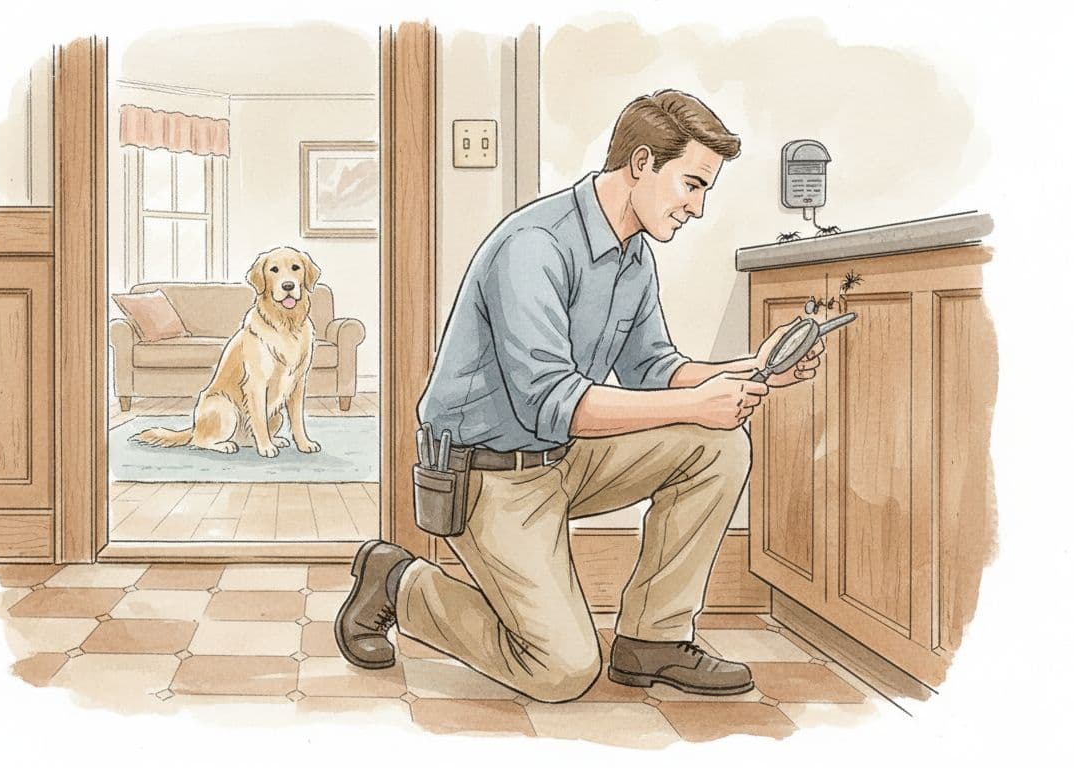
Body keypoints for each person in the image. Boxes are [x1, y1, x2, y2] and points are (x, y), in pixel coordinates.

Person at [335, 89, 823, 703]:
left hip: (562, 457)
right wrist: (696, 404)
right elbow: (553, 403)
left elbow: (653, 368)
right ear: (641, 164)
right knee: (560, 670)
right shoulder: (534, 245)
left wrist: (753, 369)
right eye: (692, 185)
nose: (697, 207)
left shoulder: (633, 255)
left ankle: (655, 638)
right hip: (487, 477)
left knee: (719, 445)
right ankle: (397, 582)